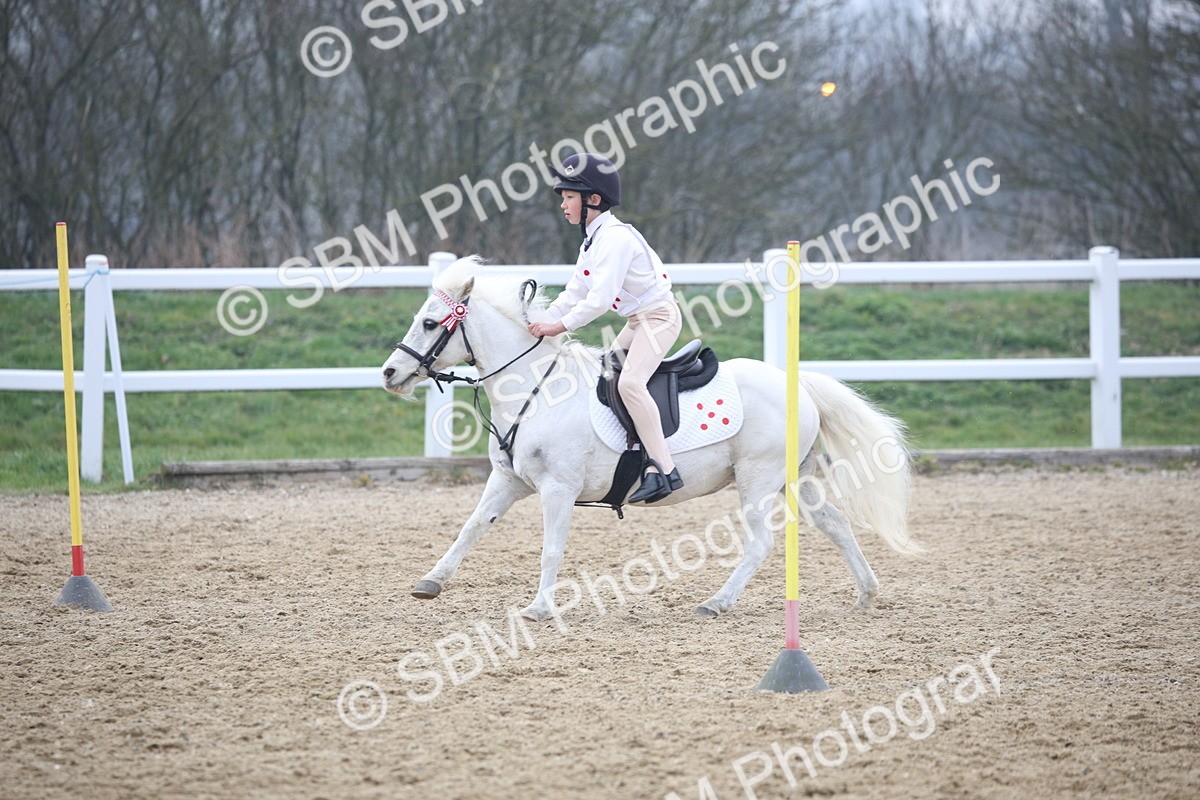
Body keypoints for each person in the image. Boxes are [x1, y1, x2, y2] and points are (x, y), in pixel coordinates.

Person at [528, 153, 684, 504]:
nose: (563, 204)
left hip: (659, 319)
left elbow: (599, 299)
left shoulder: (614, 238)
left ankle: (664, 469)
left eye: (569, 197)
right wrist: (536, 322)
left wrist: (557, 327)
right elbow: (574, 292)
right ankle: (632, 455)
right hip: (637, 322)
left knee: (630, 382)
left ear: (593, 200)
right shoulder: (592, 239)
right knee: (605, 376)